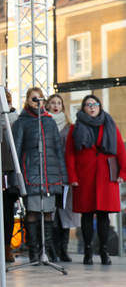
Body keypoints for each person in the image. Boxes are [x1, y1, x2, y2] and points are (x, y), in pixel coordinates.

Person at [65, 94, 126, 265]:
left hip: (106, 175)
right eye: (88, 105)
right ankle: (87, 251)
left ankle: (104, 252)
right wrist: (72, 176)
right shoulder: (75, 128)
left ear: (99, 106)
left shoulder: (110, 124)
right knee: (86, 214)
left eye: (95, 104)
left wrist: (123, 172)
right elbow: (69, 154)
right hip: (84, 176)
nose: (92, 107)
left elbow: (120, 149)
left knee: (103, 214)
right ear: (83, 108)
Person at [11, 87, 68, 263]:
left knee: (48, 212)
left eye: (40, 98)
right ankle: (34, 251)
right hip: (31, 175)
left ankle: (49, 249)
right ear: (27, 101)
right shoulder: (21, 122)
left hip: (50, 176)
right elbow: (16, 152)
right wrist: (16, 179)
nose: (38, 102)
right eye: (34, 98)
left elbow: (58, 151)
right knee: (33, 212)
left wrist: (63, 176)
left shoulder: (49, 122)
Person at [45, 93, 80, 262]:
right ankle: (50, 248)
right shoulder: (44, 123)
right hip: (49, 174)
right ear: (47, 105)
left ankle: (63, 249)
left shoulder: (70, 126)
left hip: (66, 175)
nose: (56, 105)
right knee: (50, 212)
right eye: (52, 103)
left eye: (59, 103)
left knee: (64, 213)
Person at [0, 90, 19, 263]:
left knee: (8, 214)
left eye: (7, 102)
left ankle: (6, 248)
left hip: (10, 174)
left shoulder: (17, 122)